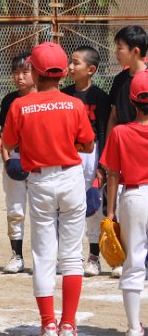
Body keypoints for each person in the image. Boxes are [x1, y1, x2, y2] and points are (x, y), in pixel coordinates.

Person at [1, 41, 95, 336]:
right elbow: (88, 144)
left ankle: (47, 327)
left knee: (43, 256)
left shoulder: (20, 105)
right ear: (63, 72)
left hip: (40, 180)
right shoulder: (74, 104)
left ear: (35, 72)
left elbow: (9, 143)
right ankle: (68, 326)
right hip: (70, 177)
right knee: (72, 256)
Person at [101, 69, 148, 336]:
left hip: (133, 197)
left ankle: (133, 330)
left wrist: (110, 212)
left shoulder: (120, 132)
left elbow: (112, 174)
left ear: (132, 102)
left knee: (133, 262)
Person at [61, 46, 110, 277]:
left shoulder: (100, 97)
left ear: (91, 70)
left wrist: (101, 165)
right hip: (67, 152)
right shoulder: (65, 94)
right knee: (68, 205)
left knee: (92, 207)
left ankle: (93, 258)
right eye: (70, 62)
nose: (70, 67)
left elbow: (102, 131)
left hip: (91, 154)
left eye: (76, 63)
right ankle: (72, 256)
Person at [105, 27, 148, 279]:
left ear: (135, 51)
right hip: (122, 148)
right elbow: (113, 116)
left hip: (140, 155)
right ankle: (125, 258)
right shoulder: (120, 80)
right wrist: (110, 148)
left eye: (120, 47)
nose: (116, 52)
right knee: (124, 209)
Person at [0, 52, 35, 275]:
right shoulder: (9, 100)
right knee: (15, 210)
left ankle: (43, 256)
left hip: (38, 162)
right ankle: (17, 255)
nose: (19, 77)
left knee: (43, 211)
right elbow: (4, 134)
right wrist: (6, 160)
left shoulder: (43, 98)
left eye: (25, 72)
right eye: (15, 72)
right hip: (15, 159)